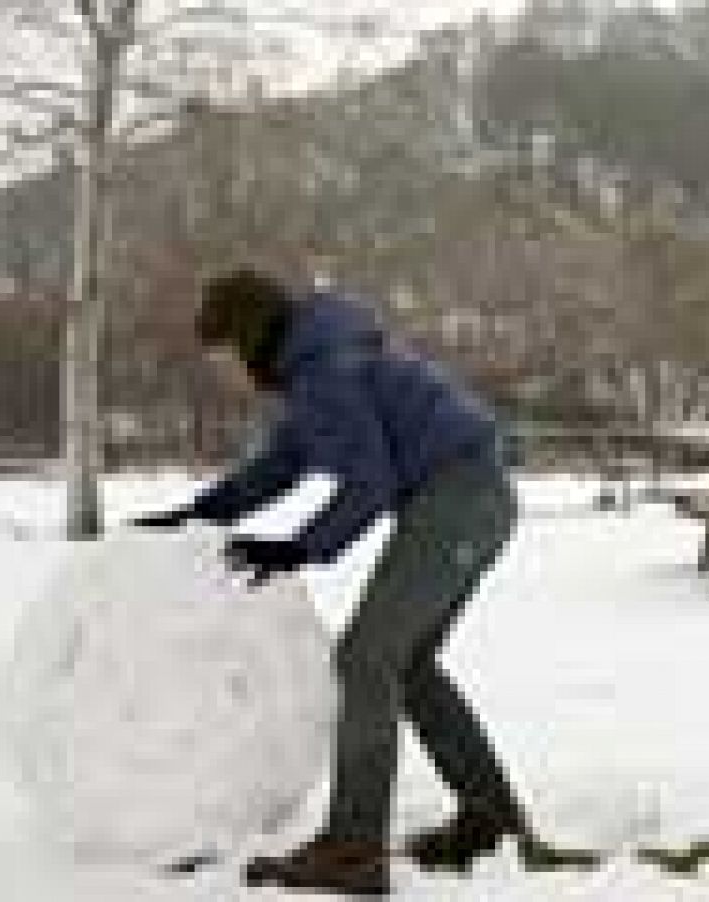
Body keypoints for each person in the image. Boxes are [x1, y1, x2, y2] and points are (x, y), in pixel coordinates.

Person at [134, 270, 530, 895]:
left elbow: (367, 484)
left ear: (250, 336)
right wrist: (198, 515)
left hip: (458, 499)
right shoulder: (317, 366)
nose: (226, 375)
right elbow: (278, 468)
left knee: (366, 659)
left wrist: (300, 546)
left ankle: (353, 849)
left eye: (225, 358)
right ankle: (490, 817)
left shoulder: (326, 372)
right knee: (408, 664)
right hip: (470, 498)